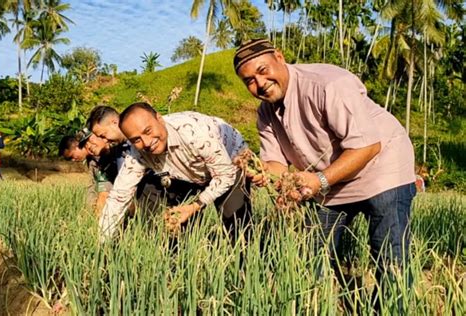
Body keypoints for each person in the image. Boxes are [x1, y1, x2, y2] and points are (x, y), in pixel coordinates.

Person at [234, 39, 416, 303]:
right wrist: (264, 172)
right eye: (249, 80)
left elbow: (367, 146)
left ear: (280, 57)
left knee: (390, 254)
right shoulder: (265, 113)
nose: (259, 83)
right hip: (330, 180)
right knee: (312, 252)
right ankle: (317, 304)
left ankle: (389, 307)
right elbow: (275, 163)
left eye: (263, 70)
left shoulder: (327, 84)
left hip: (382, 167)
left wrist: (319, 180)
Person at [99, 102, 252, 240]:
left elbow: (225, 175)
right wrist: (102, 242)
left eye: (147, 131)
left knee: (237, 225)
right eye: (136, 139)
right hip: (189, 173)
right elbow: (119, 196)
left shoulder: (194, 133)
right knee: (177, 227)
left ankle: (244, 264)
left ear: (160, 119)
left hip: (230, 163)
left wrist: (195, 206)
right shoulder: (137, 152)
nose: (146, 143)